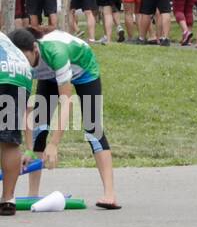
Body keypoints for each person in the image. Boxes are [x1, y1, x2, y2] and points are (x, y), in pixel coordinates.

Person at [14, 26, 120, 208]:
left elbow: (67, 102)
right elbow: (27, 109)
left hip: (84, 72)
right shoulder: (21, 65)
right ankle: (33, 194)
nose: (23, 62)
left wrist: (54, 144)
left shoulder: (56, 53)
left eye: (25, 58)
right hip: (50, 77)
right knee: (39, 128)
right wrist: (30, 149)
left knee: (92, 129)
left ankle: (109, 194)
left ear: (35, 48)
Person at [0, 31, 34, 215]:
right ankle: (8, 199)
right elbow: (28, 110)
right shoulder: (7, 42)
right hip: (20, 75)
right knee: (9, 141)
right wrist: (29, 147)